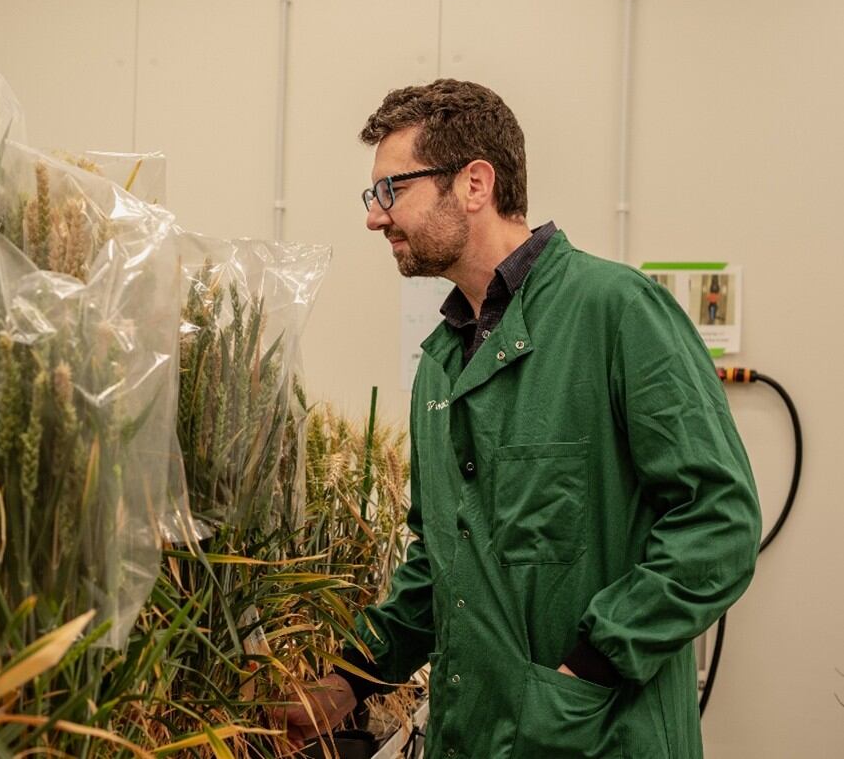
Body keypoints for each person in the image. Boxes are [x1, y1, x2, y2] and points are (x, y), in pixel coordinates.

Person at [275, 80, 761, 758]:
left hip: (595, 735)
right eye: (372, 195)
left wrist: (590, 666)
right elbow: (440, 562)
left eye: (391, 190)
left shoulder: (616, 311)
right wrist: (348, 679)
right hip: (471, 734)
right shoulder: (442, 361)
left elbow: (719, 521)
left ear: (474, 183)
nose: (375, 217)